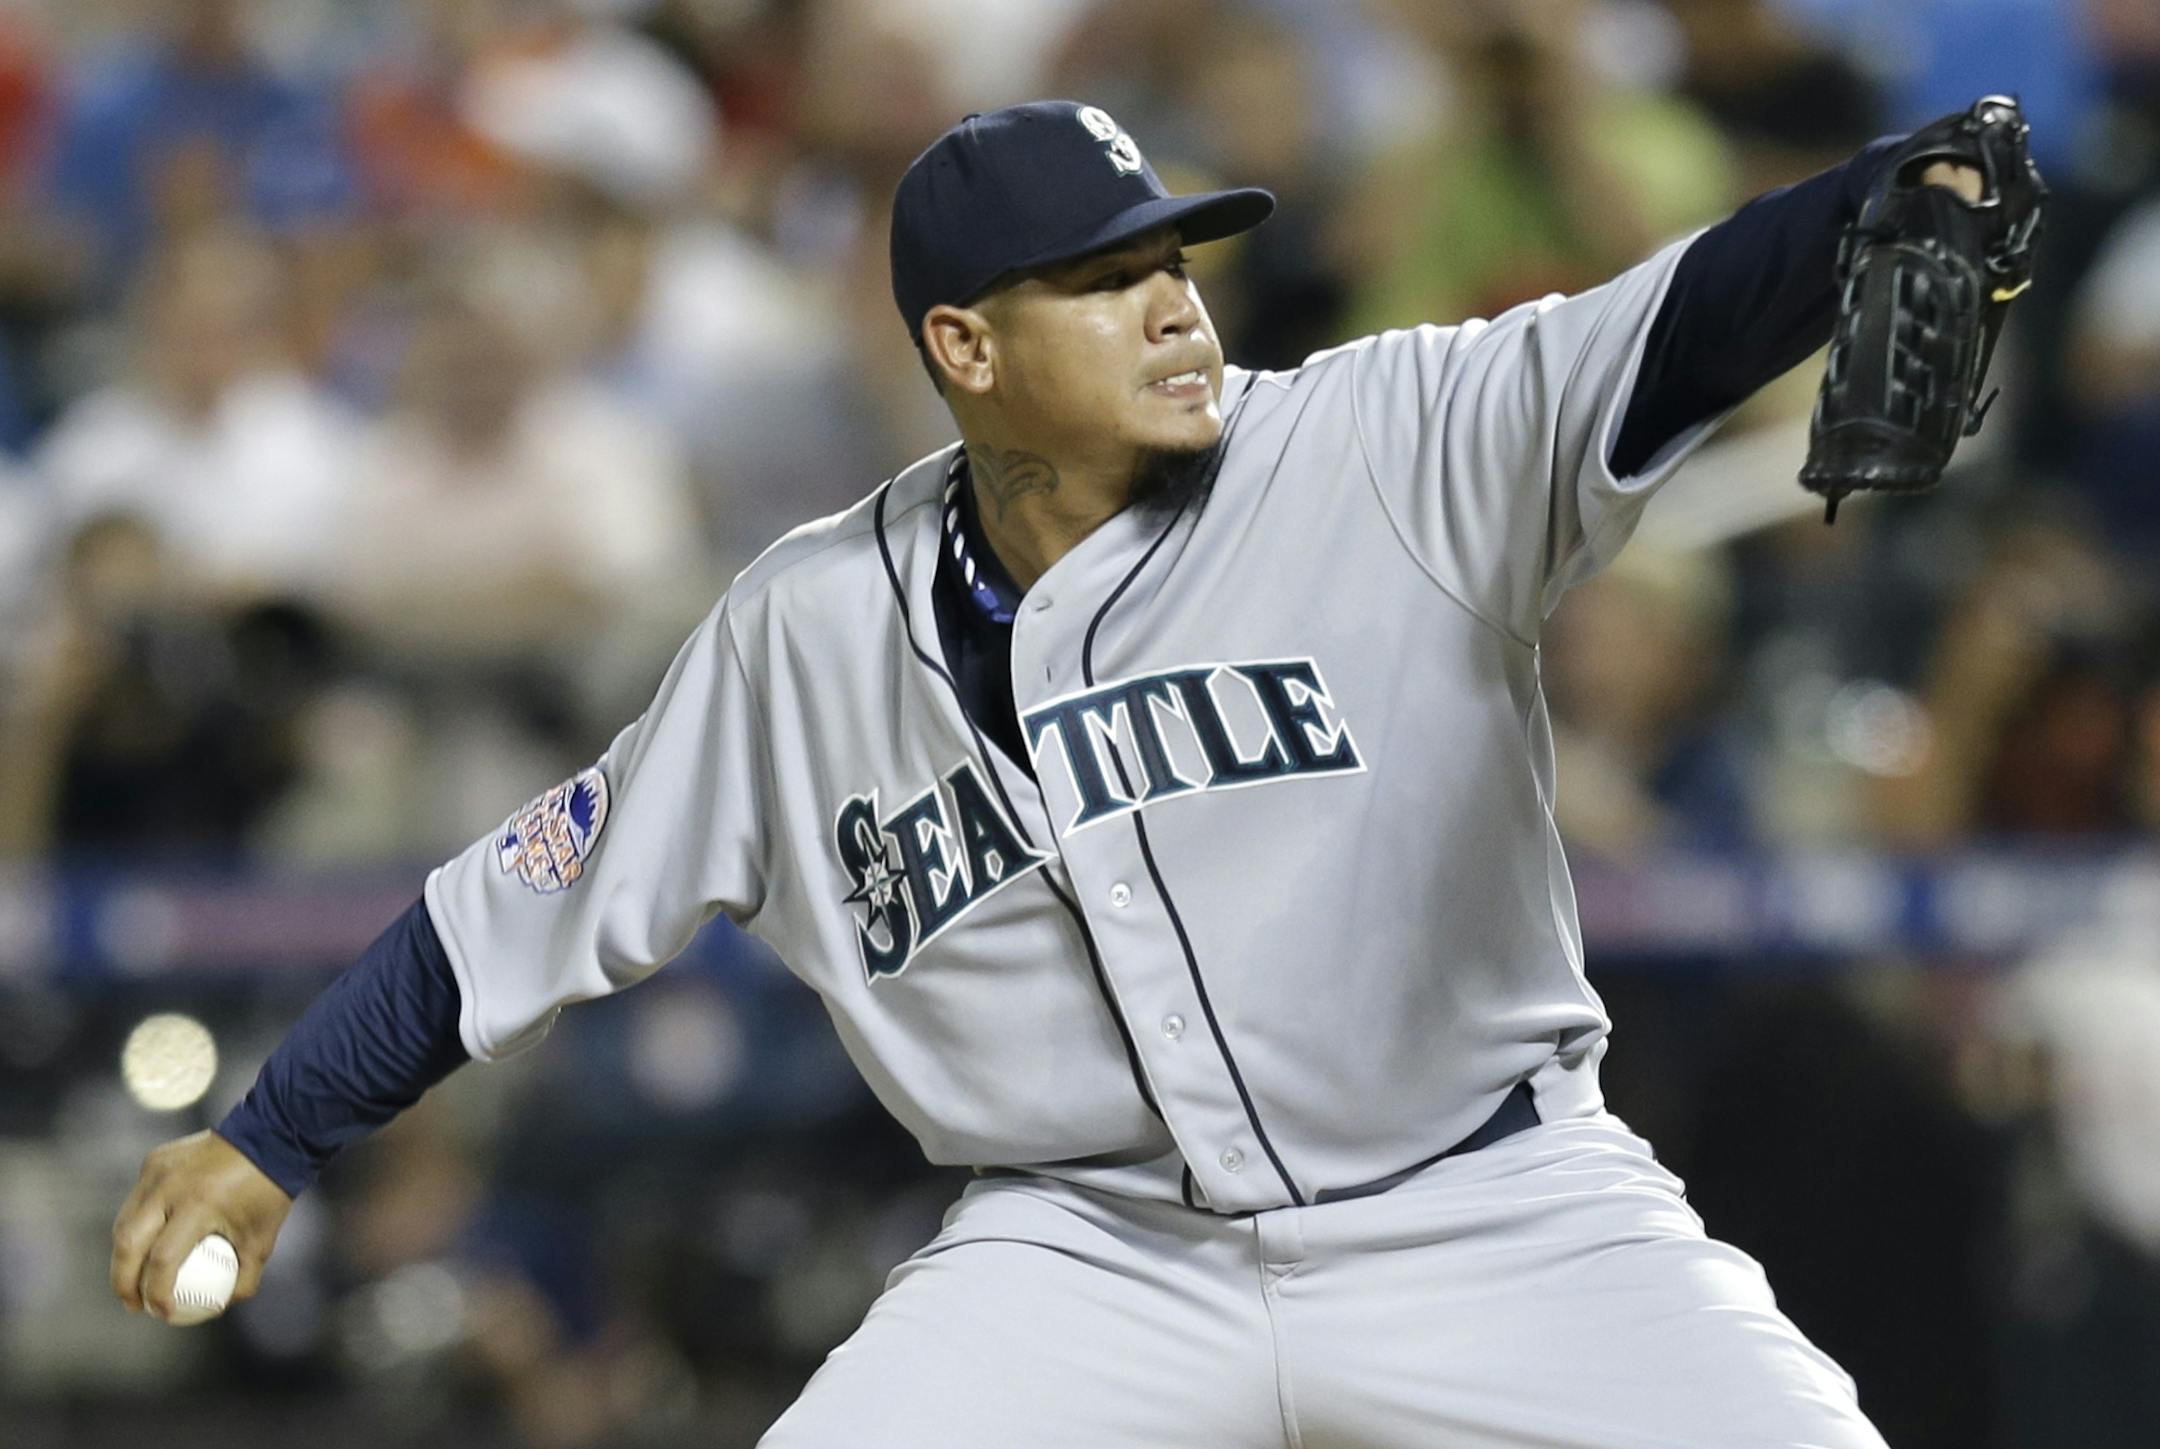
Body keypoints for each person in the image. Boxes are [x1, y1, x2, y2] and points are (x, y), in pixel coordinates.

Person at [114, 99, 1995, 1447]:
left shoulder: (1377, 442)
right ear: (967, 345)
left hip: (1487, 1206)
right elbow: (510, 908)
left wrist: (1874, 202)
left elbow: (1659, 320)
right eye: (1105, 281)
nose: (1175, 304)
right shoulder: (804, 626)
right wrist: (274, 1131)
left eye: (1176, 261)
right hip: (1090, 1251)